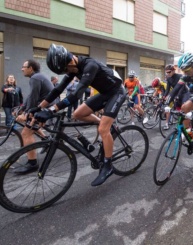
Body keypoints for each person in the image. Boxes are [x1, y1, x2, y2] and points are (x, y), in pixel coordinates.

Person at [32, 43, 126, 186]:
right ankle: (103, 126)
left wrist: (51, 110)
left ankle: (108, 166)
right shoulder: (73, 68)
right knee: (77, 114)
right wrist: (39, 107)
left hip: (117, 92)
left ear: (70, 61)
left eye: (65, 70)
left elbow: (76, 95)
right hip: (105, 93)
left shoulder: (90, 66)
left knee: (103, 129)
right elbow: (58, 90)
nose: (66, 73)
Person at [14, 59, 54, 174]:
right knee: (32, 127)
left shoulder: (35, 78)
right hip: (44, 105)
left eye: (24, 67)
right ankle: (46, 139)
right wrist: (22, 108)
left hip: (47, 107)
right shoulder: (37, 77)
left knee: (26, 133)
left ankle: (32, 163)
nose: (22, 69)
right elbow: (31, 96)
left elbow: (34, 98)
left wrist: (26, 114)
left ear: (30, 68)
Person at [162, 64, 190, 130]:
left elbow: (182, 88)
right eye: (167, 72)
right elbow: (167, 89)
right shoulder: (168, 78)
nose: (168, 73)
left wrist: (177, 96)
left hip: (184, 93)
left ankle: (189, 127)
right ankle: (179, 123)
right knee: (178, 110)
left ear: (173, 71)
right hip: (176, 93)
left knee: (184, 108)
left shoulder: (180, 76)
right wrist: (164, 96)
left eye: (169, 72)